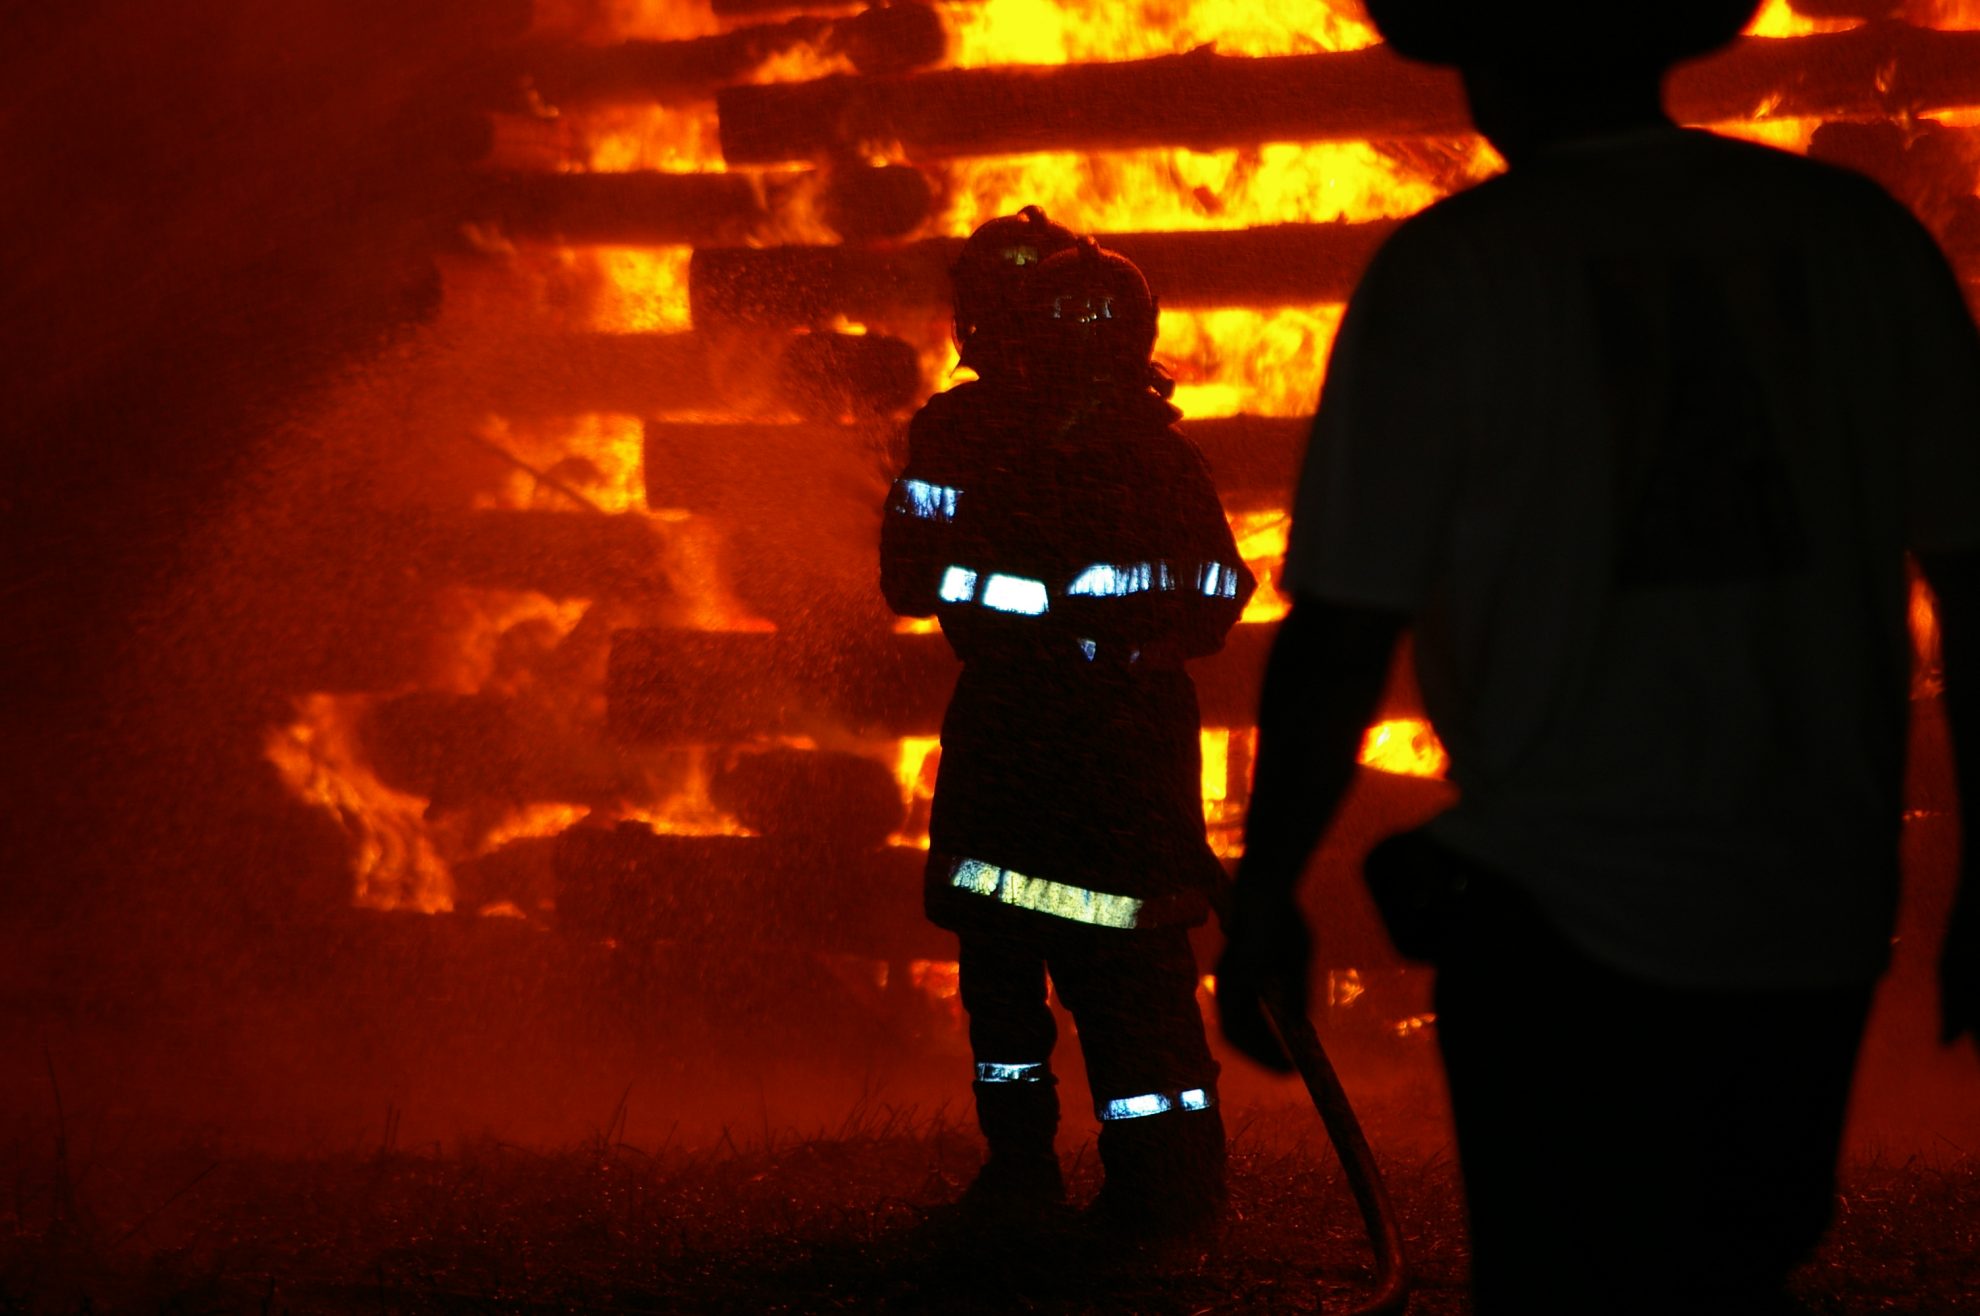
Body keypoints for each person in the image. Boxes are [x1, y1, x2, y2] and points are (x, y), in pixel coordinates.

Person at [1213, 2, 1980, 1311]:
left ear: (1485, 62)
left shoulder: (1453, 272)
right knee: (1743, 1260)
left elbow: (1343, 629)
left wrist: (1269, 885)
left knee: (1560, 1274)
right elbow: (1974, 579)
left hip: (1556, 912)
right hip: (1812, 901)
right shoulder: (1860, 243)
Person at [882, 222, 1256, 1240]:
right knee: (1001, 973)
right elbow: (909, 576)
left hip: (1117, 738)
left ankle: (1166, 1183)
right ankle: (1019, 1173)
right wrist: (1028, 600)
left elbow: (1223, 587)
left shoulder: (1158, 460)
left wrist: (1101, 606)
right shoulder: (965, 436)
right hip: (1015, 724)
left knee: (1131, 979)